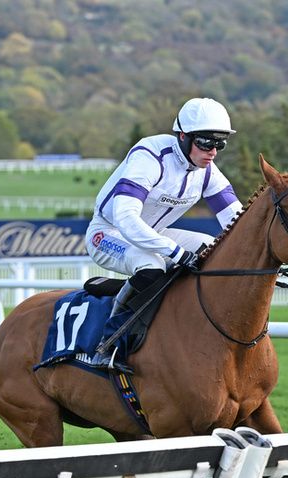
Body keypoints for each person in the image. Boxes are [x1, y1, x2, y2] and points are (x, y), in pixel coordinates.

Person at [86, 97, 243, 327]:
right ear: (182, 136)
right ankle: (110, 339)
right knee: (153, 267)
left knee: (213, 251)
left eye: (220, 144)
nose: (213, 152)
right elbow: (126, 218)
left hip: (155, 233)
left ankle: (130, 293)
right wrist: (176, 252)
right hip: (108, 233)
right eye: (205, 143)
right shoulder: (150, 156)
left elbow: (236, 220)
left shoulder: (207, 170)